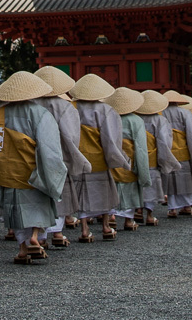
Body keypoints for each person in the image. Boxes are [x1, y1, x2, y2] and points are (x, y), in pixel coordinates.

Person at [0, 71, 67, 264]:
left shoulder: (0, 112)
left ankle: (23, 248)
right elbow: (49, 147)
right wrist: (54, 172)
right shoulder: (40, 113)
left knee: (16, 211)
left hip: (8, 170)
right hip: (32, 171)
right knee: (37, 207)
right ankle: (35, 236)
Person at [34, 65, 91, 248]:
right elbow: (72, 135)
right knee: (59, 192)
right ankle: (57, 232)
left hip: (33, 156)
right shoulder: (65, 106)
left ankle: (39, 236)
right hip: (58, 154)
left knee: (38, 194)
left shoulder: (30, 104)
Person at [70, 74, 129, 242]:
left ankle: (84, 228)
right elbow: (110, 138)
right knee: (105, 192)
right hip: (99, 157)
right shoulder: (105, 110)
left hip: (79, 156)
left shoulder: (72, 107)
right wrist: (115, 157)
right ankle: (105, 226)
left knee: (82, 193)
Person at [104, 88, 151, 231]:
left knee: (113, 186)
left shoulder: (108, 117)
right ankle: (128, 220)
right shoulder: (136, 120)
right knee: (130, 188)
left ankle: (111, 215)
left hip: (112, 157)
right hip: (129, 158)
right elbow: (141, 147)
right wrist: (143, 169)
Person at [135, 90, 181, 226]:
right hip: (152, 156)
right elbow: (164, 141)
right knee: (151, 183)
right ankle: (149, 214)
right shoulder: (160, 120)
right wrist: (164, 158)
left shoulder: (135, 118)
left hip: (136, 155)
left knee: (136, 182)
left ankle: (137, 209)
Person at [162, 90, 192, 218]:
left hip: (169, 150)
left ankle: (172, 209)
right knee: (186, 178)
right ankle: (187, 206)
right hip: (183, 150)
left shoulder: (161, 113)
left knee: (171, 180)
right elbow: (191, 135)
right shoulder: (185, 113)